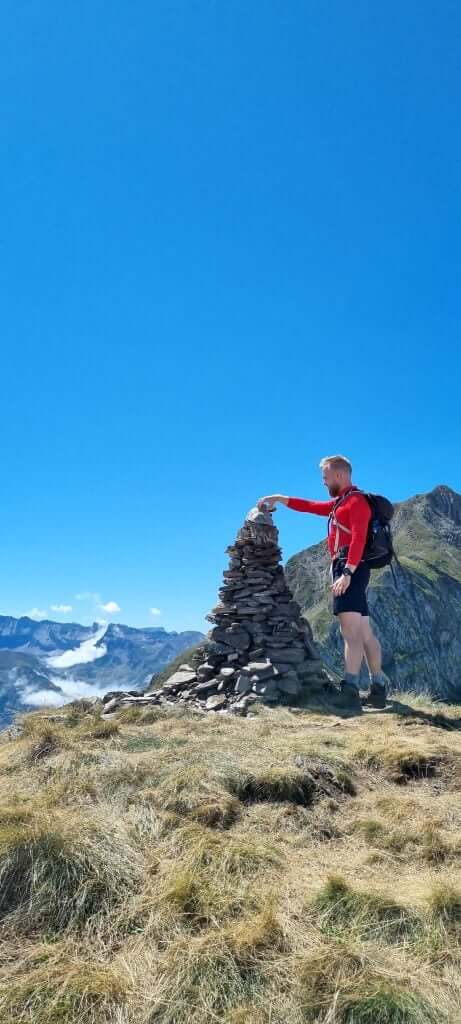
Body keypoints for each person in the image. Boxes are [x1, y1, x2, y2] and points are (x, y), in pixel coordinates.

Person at [257, 454, 389, 713]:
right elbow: (310, 506)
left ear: (339, 475)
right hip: (353, 569)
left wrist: (347, 572)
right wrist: (281, 499)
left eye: (325, 476)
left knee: (349, 632)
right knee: (364, 632)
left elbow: (359, 538)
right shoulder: (341, 503)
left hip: (349, 568)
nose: (323, 481)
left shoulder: (356, 502)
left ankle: (350, 690)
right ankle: (379, 687)